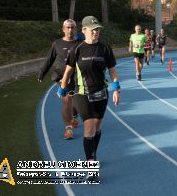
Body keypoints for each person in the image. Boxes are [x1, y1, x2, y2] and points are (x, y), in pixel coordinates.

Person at [58, 16, 120, 167]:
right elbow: (67, 72)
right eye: (92, 30)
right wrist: (63, 87)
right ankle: (90, 164)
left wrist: (116, 89)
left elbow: (112, 72)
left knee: (97, 127)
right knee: (90, 126)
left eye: (97, 29)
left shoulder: (105, 48)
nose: (95, 32)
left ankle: (92, 153)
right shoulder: (77, 49)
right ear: (84, 30)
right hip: (82, 93)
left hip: (101, 93)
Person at [38, 19, 80, 140]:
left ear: (75, 29)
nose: (70, 29)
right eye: (68, 27)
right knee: (67, 101)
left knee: (75, 102)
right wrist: (42, 72)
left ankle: (74, 115)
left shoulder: (81, 43)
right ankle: (68, 128)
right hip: (61, 78)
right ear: (63, 29)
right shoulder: (57, 44)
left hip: (77, 78)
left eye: (72, 27)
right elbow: (49, 59)